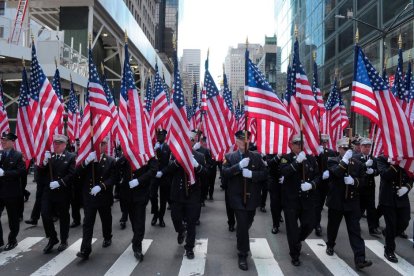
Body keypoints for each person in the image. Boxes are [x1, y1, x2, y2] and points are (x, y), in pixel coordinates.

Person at [222, 130, 267, 271]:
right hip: (236, 197)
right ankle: (243, 254)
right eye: (240, 140)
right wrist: (239, 166)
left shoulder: (256, 157)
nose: (243, 142)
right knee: (241, 224)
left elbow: (265, 174)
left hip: (252, 197)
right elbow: (225, 173)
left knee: (247, 222)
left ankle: (241, 235)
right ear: (236, 141)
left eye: (245, 140)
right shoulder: (229, 156)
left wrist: (252, 174)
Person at [325, 137, 372, 270]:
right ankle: (330, 244)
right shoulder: (332, 161)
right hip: (337, 201)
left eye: (348, 149)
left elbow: (363, 181)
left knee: (355, 231)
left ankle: (360, 259)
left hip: (352, 202)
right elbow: (335, 174)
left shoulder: (357, 163)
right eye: (344, 148)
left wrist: (354, 182)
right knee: (333, 227)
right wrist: (344, 161)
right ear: (338, 149)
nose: (346, 151)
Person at [159, 131, 206, 260]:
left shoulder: (199, 156)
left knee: (191, 222)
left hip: (193, 194)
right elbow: (168, 170)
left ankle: (189, 248)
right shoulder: (175, 155)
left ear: (193, 142)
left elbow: (206, 174)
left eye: (190, 140)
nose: (187, 143)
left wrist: (197, 166)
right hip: (178, 194)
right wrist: (177, 162)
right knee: (175, 217)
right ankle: (180, 230)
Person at [279, 134, 320, 266]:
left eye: (300, 144)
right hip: (291, 200)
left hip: (307, 199)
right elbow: (284, 172)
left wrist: (311, 184)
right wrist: (296, 162)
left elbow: (317, 176)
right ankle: (294, 255)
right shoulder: (286, 158)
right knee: (292, 229)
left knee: (310, 224)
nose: (299, 146)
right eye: (296, 144)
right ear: (291, 145)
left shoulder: (310, 159)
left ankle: (298, 240)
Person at [76, 137, 116, 259]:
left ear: (106, 145)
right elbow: (77, 174)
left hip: (103, 196)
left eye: (103, 144)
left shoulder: (110, 161)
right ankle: (85, 250)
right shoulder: (88, 159)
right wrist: (86, 162)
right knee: (87, 223)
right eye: (100, 144)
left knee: (106, 219)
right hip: (90, 197)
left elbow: (113, 178)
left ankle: (107, 236)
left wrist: (101, 186)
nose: (101, 146)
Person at [38, 134, 76, 253]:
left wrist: (60, 182)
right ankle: (52, 238)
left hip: (63, 192)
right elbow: (41, 174)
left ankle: (64, 240)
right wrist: (44, 163)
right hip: (49, 192)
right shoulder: (50, 156)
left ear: (64, 145)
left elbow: (72, 174)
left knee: (63, 216)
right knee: (44, 214)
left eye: (59, 144)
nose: (56, 145)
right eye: (55, 143)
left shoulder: (71, 157)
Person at [117, 153, 158, 261]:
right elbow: (117, 166)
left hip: (141, 192)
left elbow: (153, 170)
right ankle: (136, 238)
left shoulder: (148, 152)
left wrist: (139, 180)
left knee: (139, 221)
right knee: (134, 220)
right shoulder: (127, 152)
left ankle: (137, 246)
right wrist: (125, 155)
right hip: (128, 193)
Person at [377, 156, 412, 263]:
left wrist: (407, 187)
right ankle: (389, 250)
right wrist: (396, 163)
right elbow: (385, 175)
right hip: (388, 197)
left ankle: (387, 233)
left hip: (402, 196)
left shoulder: (407, 158)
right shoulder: (382, 159)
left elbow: (411, 175)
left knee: (405, 221)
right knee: (391, 225)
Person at [0, 132, 26, 251]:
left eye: (5, 140)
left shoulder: (17, 155)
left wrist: (5, 173)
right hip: (0, 191)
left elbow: (21, 172)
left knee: (13, 218)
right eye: (2, 140)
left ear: (12, 142)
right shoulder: (0, 154)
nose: (3, 142)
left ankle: (12, 240)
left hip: (11, 192)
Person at [353, 138, 381, 237]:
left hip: (370, 187)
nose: (367, 148)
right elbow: (355, 170)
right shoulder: (355, 157)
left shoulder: (373, 158)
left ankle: (372, 228)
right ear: (361, 147)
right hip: (360, 187)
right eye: (365, 146)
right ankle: (355, 225)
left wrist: (373, 172)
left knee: (371, 209)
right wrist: (364, 165)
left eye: (369, 146)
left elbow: (378, 171)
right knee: (359, 209)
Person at [314, 134, 336, 236]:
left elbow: (334, 165)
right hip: (318, 183)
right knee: (318, 205)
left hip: (329, 183)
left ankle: (332, 226)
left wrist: (329, 172)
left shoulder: (331, 152)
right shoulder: (314, 152)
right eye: (322, 142)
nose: (324, 144)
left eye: (325, 142)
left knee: (329, 204)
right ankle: (317, 224)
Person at [150, 129, 171, 227]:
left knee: (163, 198)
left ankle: (161, 217)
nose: (159, 137)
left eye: (161, 135)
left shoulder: (168, 148)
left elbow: (169, 163)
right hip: (154, 175)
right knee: (152, 195)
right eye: (158, 135)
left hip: (164, 176)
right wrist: (155, 150)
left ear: (165, 137)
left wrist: (162, 172)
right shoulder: (153, 147)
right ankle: (155, 214)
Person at [266, 154, 283, 234]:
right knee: (274, 203)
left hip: (285, 179)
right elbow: (269, 163)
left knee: (282, 202)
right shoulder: (271, 150)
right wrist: (278, 156)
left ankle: (279, 214)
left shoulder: (287, 151)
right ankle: (275, 225)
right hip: (273, 179)